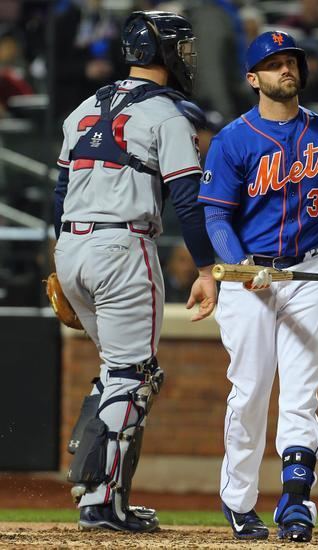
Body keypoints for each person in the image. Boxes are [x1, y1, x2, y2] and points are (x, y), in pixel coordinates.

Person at [198, 31, 318, 542]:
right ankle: (238, 501)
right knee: (251, 391)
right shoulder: (235, 138)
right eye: (273, 63)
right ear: (253, 78)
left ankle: (296, 503)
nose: (286, 70)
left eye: (291, 61)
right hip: (247, 276)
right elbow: (216, 218)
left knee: (301, 394)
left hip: (309, 271)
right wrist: (238, 265)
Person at [53, 10, 216, 533]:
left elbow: (59, 196)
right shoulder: (169, 116)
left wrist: (65, 260)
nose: (187, 57)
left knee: (118, 372)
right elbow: (188, 202)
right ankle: (103, 504)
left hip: (71, 246)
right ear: (164, 53)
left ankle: (96, 488)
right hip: (123, 246)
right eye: (181, 48)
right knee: (133, 374)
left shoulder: (81, 109)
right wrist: (208, 267)